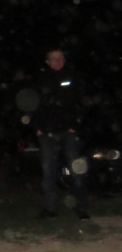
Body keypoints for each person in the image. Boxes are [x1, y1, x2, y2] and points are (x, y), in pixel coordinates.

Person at [33, 49, 89, 220]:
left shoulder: (73, 77)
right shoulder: (40, 80)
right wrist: (37, 127)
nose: (57, 61)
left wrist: (75, 124)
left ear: (64, 60)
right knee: (48, 171)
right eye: (53, 59)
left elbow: (82, 102)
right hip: (47, 133)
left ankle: (81, 208)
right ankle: (49, 209)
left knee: (76, 169)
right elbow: (31, 104)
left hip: (69, 132)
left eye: (60, 58)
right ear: (47, 61)